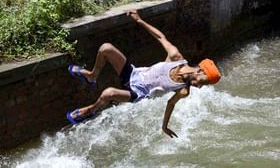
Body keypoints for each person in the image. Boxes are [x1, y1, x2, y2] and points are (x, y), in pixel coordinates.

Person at [67, 9, 221, 138]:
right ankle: (92, 76)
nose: (200, 87)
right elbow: (161, 37)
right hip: (133, 74)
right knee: (105, 48)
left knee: (108, 93)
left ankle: (90, 111)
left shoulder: (183, 90)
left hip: (137, 92)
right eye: (203, 82)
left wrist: (164, 127)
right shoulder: (175, 58)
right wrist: (139, 20)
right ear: (200, 70)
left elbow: (170, 103)